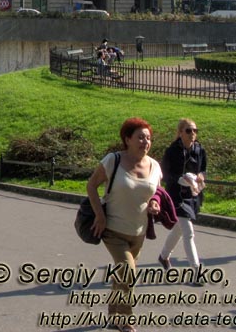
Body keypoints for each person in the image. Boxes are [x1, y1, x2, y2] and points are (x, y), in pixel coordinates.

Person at [86, 118, 162, 332]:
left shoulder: (154, 165)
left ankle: (112, 314)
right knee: (128, 274)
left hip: (138, 232)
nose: (145, 142)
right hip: (112, 230)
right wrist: (99, 215)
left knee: (122, 277)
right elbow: (91, 186)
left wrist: (155, 202)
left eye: (148, 138)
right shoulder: (113, 160)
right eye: (140, 137)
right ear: (127, 139)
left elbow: (157, 191)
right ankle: (126, 320)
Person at [158, 119, 207, 271]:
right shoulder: (172, 151)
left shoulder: (199, 149)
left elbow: (204, 169)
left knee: (179, 228)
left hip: (192, 194)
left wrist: (201, 176)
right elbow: (165, 174)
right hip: (176, 195)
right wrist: (180, 179)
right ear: (180, 133)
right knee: (188, 231)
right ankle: (196, 269)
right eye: (188, 130)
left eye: (195, 130)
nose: (192, 133)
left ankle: (164, 256)